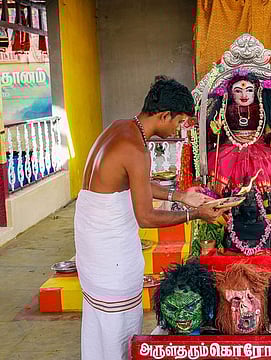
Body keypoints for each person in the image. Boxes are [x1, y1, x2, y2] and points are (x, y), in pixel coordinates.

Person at [74, 76, 227, 360]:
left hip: (92, 244)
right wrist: (195, 214)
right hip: (110, 251)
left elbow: (134, 182)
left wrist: (181, 196)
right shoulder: (137, 149)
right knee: (118, 326)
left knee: (99, 322)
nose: (179, 129)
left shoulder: (120, 128)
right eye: (179, 122)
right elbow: (145, 216)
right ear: (164, 115)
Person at [206, 68, 271, 196]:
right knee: (220, 165)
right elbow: (219, 134)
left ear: (255, 92)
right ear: (231, 94)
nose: (244, 96)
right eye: (238, 91)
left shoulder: (261, 109)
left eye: (249, 90)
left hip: (259, 146)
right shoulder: (225, 109)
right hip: (231, 146)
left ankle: (265, 198)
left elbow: (267, 129)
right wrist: (216, 130)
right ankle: (227, 198)